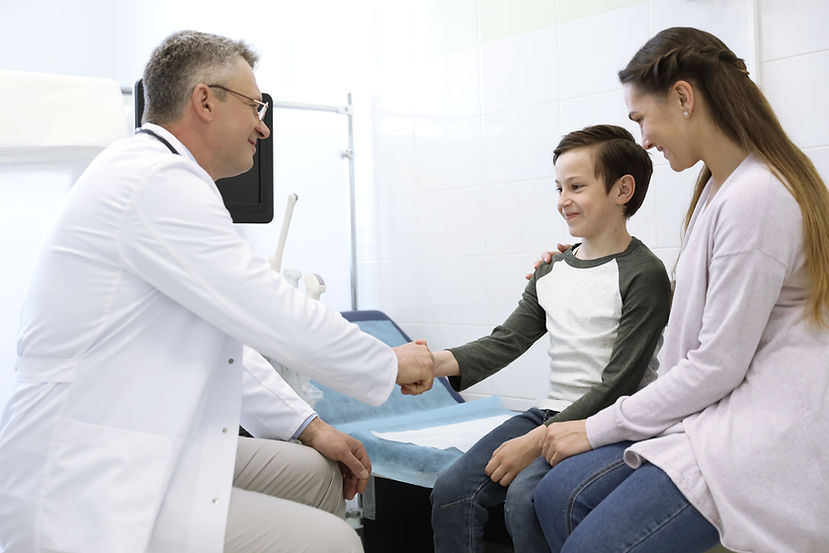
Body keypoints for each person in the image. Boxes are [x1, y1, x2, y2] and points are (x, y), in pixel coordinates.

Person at [0, 30, 435, 553]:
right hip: (91, 472)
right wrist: (390, 362)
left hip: (145, 438)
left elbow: (228, 342)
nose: (263, 126)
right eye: (255, 106)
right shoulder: (155, 180)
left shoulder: (162, 178)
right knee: (334, 543)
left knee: (318, 472)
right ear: (205, 100)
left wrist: (309, 426)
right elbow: (271, 309)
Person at [532, 27, 829, 553]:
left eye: (641, 118)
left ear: (684, 98)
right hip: (716, 410)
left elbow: (716, 364)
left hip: (755, 433)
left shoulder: (755, 197)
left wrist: (597, 426)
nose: (644, 140)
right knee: (556, 495)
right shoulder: (719, 187)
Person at [430, 124, 672, 552]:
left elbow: (618, 384)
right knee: (452, 490)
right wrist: (430, 365)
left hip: (611, 420)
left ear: (622, 190)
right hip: (550, 411)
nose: (563, 200)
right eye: (559, 188)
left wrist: (537, 439)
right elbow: (506, 340)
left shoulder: (645, 275)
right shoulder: (551, 269)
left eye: (576, 186)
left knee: (527, 498)